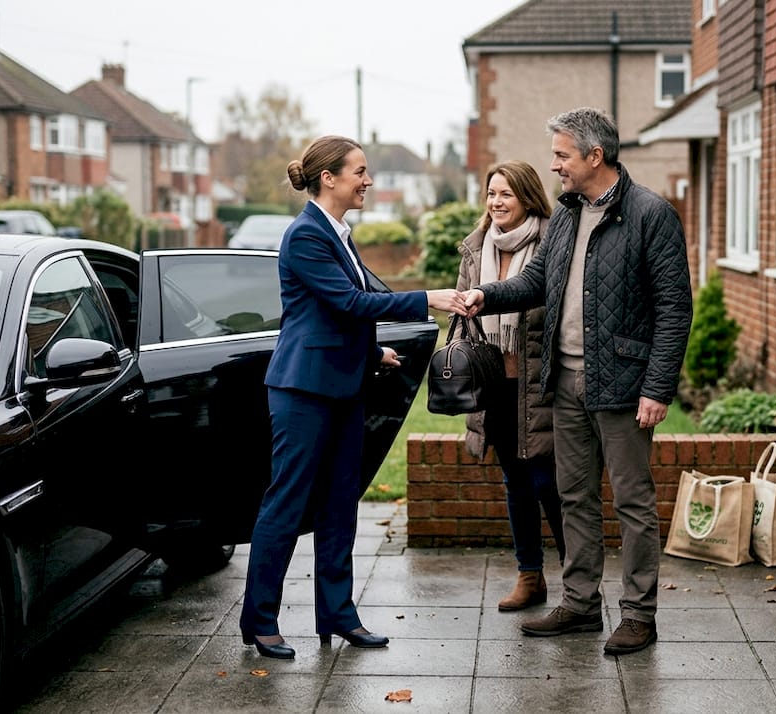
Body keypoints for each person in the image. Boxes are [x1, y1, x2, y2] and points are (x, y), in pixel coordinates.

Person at [463, 108, 693, 656]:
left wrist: (657, 388)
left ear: (595, 156)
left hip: (622, 383)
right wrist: (486, 295)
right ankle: (581, 604)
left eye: (563, 155)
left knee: (633, 503)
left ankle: (639, 614)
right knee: (574, 497)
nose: (554, 165)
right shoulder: (567, 214)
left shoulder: (650, 214)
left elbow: (674, 308)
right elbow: (540, 280)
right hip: (563, 381)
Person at [240, 135, 466, 659]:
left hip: (345, 386)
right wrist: (429, 298)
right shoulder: (305, 235)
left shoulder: (339, 233)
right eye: (360, 171)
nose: (368, 181)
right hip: (301, 390)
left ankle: (338, 616)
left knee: (341, 504)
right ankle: (260, 620)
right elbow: (348, 301)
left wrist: (372, 356)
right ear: (330, 178)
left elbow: (348, 309)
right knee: (287, 502)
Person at [454, 160, 565, 611]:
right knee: (515, 482)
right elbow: (460, 307)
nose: (496, 203)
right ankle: (530, 575)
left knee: (549, 484)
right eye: (491, 194)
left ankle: (578, 579)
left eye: (506, 195)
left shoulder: (551, 242)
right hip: (493, 385)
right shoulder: (476, 248)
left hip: (538, 384)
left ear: (527, 198)